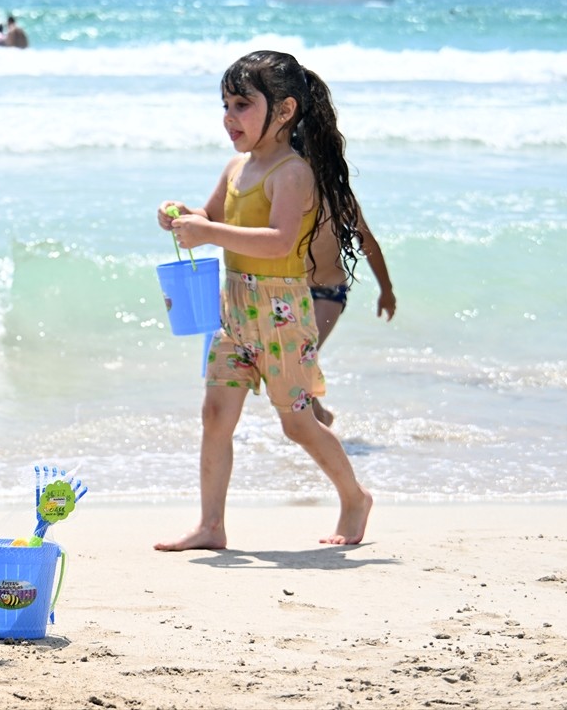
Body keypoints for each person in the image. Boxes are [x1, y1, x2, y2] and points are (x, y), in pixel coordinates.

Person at [156, 50, 373, 551]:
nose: (229, 117)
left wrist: (208, 229)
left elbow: (278, 240)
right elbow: (211, 216)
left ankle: (355, 497)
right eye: (226, 105)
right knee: (215, 413)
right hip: (233, 311)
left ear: (285, 110)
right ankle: (211, 525)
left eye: (242, 105)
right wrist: (181, 216)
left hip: (281, 312)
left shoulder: (292, 172)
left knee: (298, 423)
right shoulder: (236, 168)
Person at [308, 208, 396, 426]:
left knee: (302, 358)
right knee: (292, 363)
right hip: (289, 291)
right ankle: (319, 419)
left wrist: (386, 290)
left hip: (328, 292)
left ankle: (319, 424)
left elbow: (367, 243)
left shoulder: (339, 195)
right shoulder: (288, 186)